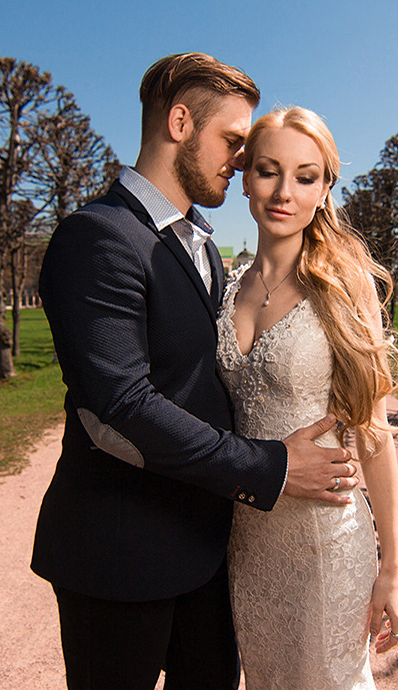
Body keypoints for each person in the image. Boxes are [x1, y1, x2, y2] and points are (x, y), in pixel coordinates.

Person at [33, 53, 360, 690]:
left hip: (209, 549)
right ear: (180, 122)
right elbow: (120, 408)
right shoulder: (97, 236)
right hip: (119, 554)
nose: (241, 160)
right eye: (233, 141)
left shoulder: (203, 244)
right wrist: (268, 466)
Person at [217, 106, 398, 689]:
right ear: (246, 175)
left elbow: (374, 435)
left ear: (325, 189)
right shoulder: (225, 287)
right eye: (269, 171)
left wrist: (393, 568)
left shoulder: (342, 286)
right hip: (246, 543)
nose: (284, 192)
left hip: (327, 543)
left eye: (305, 176)